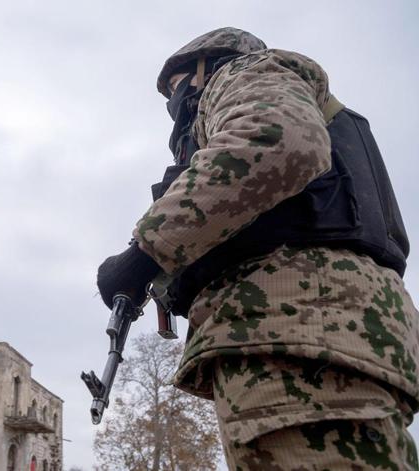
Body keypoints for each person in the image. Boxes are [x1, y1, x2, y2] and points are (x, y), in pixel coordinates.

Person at [96, 27, 419, 469]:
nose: (176, 100)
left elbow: (278, 139)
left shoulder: (246, 71)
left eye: (178, 85)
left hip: (298, 326)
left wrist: (143, 254)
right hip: (314, 328)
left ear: (207, 66)